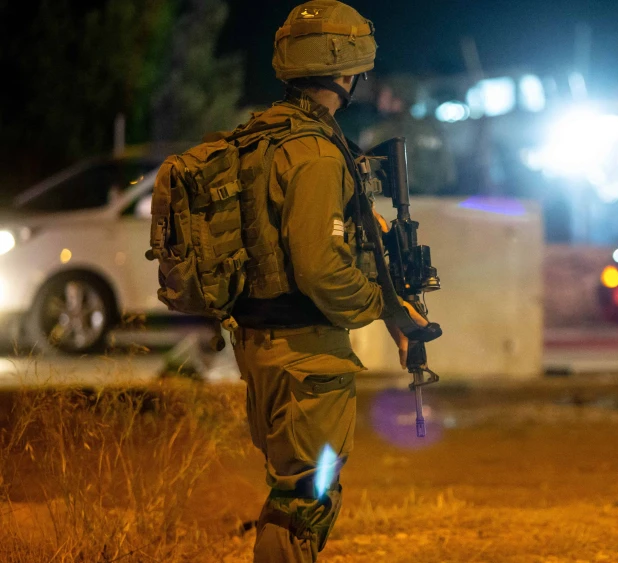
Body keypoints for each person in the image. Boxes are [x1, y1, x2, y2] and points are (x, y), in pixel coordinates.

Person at [230, 2, 426, 561]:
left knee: (294, 487)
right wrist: (379, 303)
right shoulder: (314, 153)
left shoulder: (261, 138)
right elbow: (319, 267)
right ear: (346, 71)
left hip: (265, 344)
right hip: (304, 354)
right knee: (305, 497)